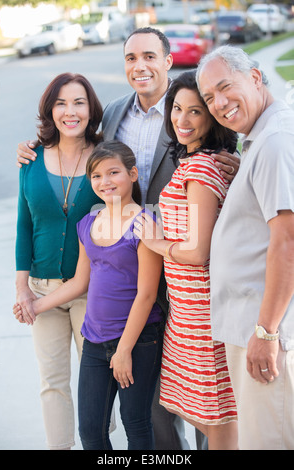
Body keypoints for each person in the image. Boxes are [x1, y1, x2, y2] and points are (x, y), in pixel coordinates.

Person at [15, 27, 239, 451]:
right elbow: (81, 147)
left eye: (150, 56)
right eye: (131, 58)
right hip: (128, 264)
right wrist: (32, 149)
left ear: (168, 62)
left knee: (203, 386)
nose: (141, 66)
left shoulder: (187, 108)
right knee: (154, 398)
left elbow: (217, 142)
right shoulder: (115, 112)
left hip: (181, 261)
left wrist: (234, 158)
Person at [15, 140, 164, 450]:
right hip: (95, 340)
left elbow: (147, 295)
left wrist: (124, 350)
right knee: (91, 431)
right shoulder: (88, 224)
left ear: (132, 174)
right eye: (96, 176)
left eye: (113, 173)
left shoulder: (144, 225)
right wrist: (35, 305)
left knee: (135, 423)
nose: (104, 182)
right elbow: (80, 282)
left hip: (137, 341)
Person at [134, 70, 238, 450]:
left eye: (195, 111)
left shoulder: (201, 168)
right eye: (177, 108)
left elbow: (197, 251)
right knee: (203, 411)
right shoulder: (197, 163)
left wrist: (156, 241)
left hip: (202, 312)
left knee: (219, 421)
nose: (182, 120)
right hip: (187, 309)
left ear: (212, 117)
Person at [196, 45, 294, 450]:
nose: (219, 104)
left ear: (255, 77)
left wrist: (266, 332)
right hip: (256, 327)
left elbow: (287, 242)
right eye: (209, 98)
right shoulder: (260, 141)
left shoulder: (273, 142)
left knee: (267, 441)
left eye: (225, 87)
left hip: (265, 331)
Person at [15, 72, 107, 450]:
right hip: (41, 290)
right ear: (50, 110)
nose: (70, 111)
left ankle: (98, 443)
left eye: (79, 102)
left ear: (91, 109)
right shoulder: (30, 159)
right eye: (61, 103)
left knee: (97, 382)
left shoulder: (105, 156)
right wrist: (22, 288)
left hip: (93, 293)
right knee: (52, 382)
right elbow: (24, 225)